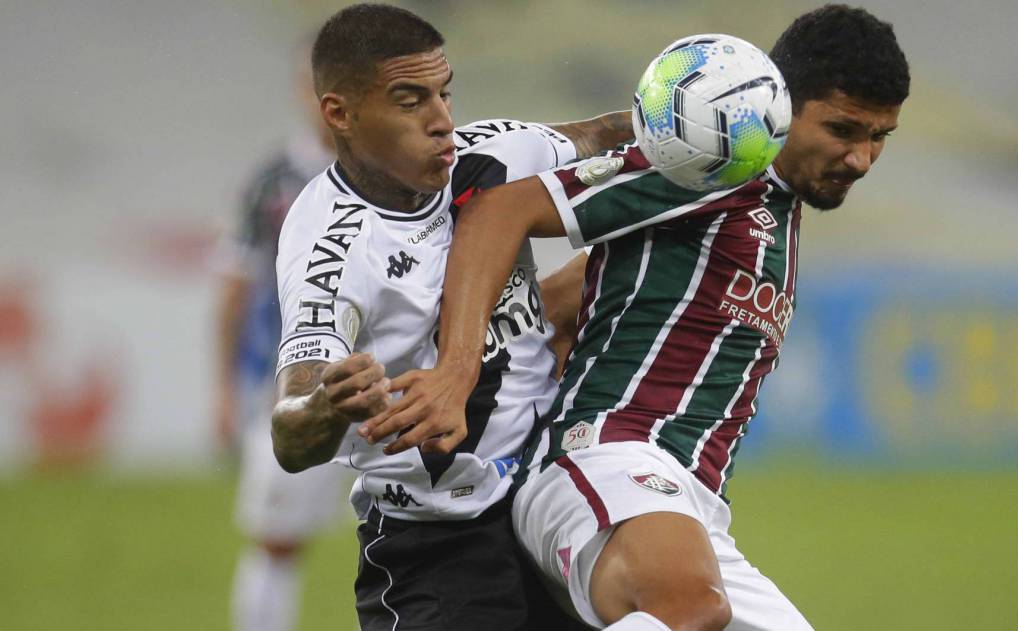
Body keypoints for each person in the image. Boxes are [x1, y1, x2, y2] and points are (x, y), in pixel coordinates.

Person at [363, 5, 910, 630]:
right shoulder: (712, 162)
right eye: (843, 130)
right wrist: (455, 373)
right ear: (783, 106)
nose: (862, 158)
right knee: (688, 608)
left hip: (687, 501)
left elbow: (574, 297)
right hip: (608, 457)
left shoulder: (774, 207)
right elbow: (498, 212)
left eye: (879, 137)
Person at [269, 4, 632, 630]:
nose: (443, 122)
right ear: (340, 114)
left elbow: (605, 134)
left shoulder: (488, 157)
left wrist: (723, 118)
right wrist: (331, 406)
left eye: (444, 93)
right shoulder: (332, 249)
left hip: (555, 500)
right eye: (411, 101)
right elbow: (291, 433)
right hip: (438, 543)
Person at [214, 41, 351, 631]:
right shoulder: (273, 182)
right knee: (276, 541)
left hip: (398, 390)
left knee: (413, 535)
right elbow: (235, 289)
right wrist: (223, 387)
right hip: (297, 389)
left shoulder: (408, 169)